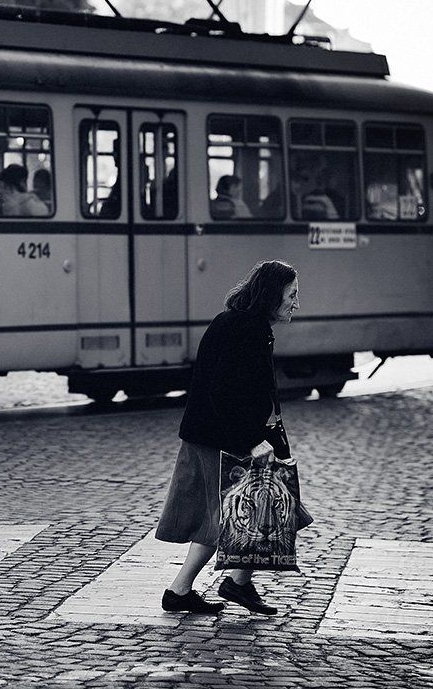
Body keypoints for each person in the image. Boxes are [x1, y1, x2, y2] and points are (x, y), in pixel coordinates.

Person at [155, 260, 300, 616]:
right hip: (217, 438)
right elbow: (223, 391)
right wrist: (251, 439)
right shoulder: (245, 330)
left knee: (261, 507)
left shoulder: (243, 324)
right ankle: (186, 589)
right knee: (226, 515)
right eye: (292, 295)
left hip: (218, 434)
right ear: (272, 295)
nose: (296, 303)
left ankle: (232, 583)